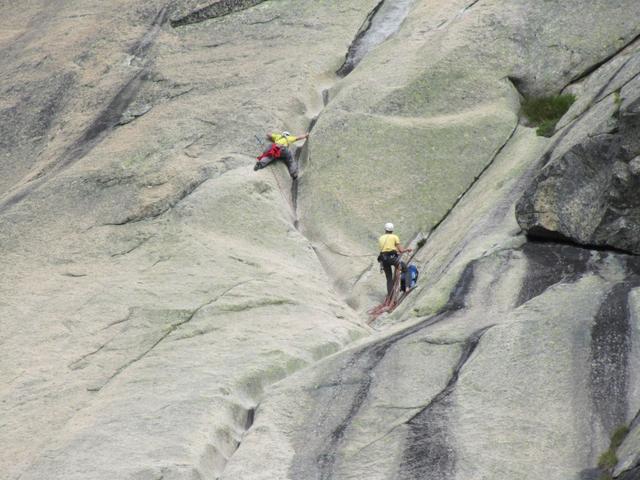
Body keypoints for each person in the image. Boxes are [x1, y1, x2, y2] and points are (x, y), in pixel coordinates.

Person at [378, 222, 412, 299]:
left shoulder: (381, 238)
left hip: (383, 259)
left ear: (385, 229)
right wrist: (407, 249)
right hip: (392, 258)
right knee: (405, 269)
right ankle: (407, 288)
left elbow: (384, 250)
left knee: (389, 278)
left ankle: (389, 296)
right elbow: (401, 250)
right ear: (392, 230)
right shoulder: (394, 237)